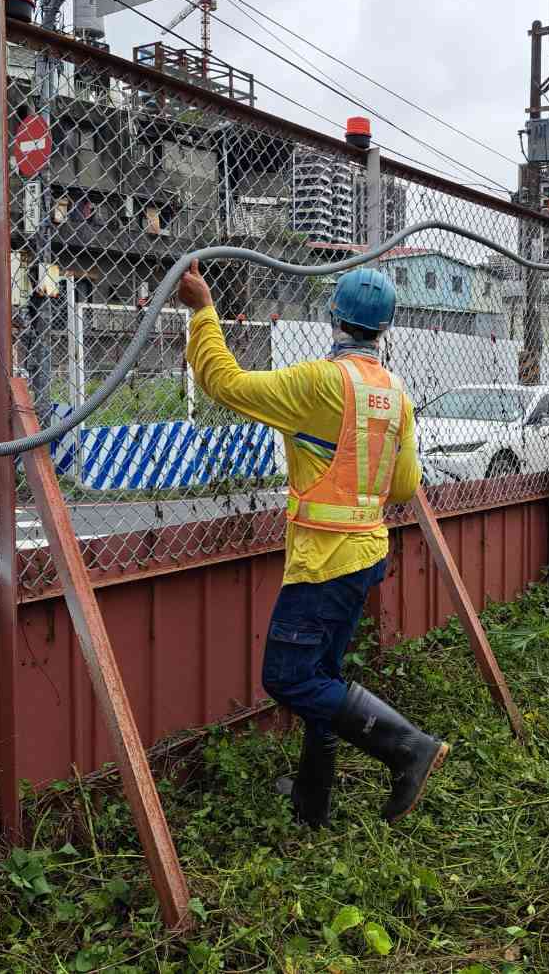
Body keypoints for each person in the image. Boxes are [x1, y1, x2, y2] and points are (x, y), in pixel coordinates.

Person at [177, 261, 448, 827]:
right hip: (366, 555)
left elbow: (225, 384)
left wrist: (203, 311)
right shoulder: (394, 393)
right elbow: (404, 485)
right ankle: (311, 801)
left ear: (334, 318)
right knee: (323, 674)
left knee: (289, 677)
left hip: (322, 562)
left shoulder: (318, 383)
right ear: (385, 327)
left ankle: (408, 748)